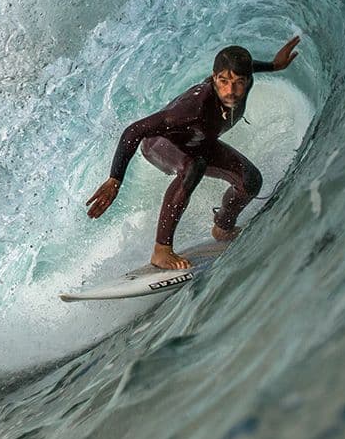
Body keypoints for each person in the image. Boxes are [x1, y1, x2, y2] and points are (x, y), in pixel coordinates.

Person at [87, 36, 302, 273]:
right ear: (213, 76)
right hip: (160, 143)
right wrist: (114, 180)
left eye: (239, 82)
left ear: (247, 79)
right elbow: (134, 131)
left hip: (199, 142)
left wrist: (274, 65)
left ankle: (223, 227)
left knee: (250, 181)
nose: (231, 90)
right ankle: (161, 250)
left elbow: (248, 68)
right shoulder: (193, 108)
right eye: (223, 81)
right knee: (195, 166)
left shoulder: (242, 81)